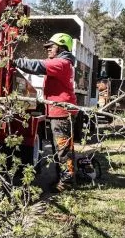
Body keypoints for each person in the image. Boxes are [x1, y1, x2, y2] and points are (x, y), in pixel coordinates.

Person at [13, 33, 78, 192]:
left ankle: (67, 183)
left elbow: (36, 66)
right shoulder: (62, 63)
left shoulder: (61, 63)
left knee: (63, 149)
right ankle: (62, 179)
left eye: (51, 46)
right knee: (60, 148)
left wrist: (14, 61)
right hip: (59, 112)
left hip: (62, 113)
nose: (47, 49)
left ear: (61, 47)